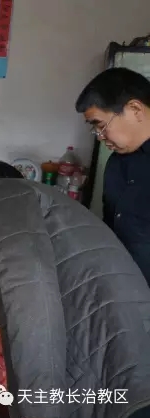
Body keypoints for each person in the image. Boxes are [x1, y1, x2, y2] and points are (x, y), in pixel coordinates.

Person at [0, 159, 150, 418]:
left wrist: (39, 411)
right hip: (133, 368)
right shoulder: (52, 205)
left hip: (120, 382)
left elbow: (28, 293)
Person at [75, 68, 150, 284]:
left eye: (101, 125)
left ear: (135, 109)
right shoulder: (117, 163)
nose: (100, 137)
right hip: (122, 289)